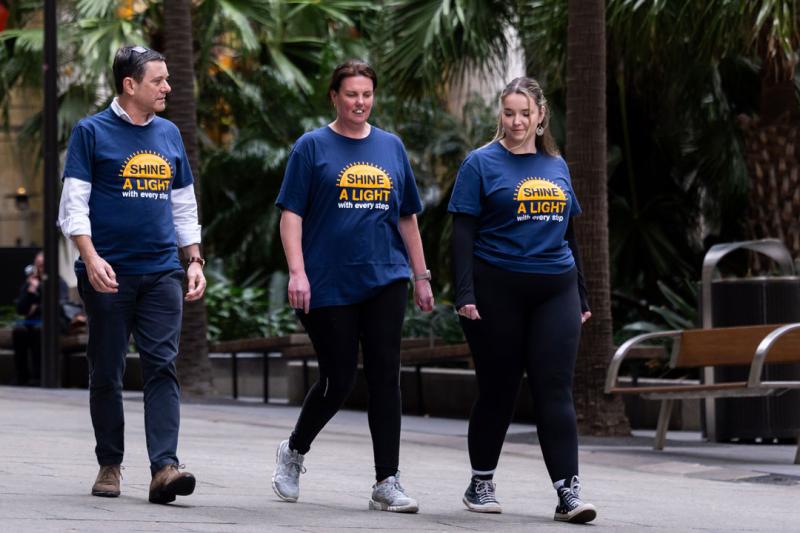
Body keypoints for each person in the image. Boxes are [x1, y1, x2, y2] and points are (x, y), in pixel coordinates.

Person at [272, 59, 434, 513]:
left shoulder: (391, 147)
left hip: (386, 276)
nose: (360, 102)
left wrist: (420, 276)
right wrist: (297, 271)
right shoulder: (311, 147)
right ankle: (294, 450)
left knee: (385, 375)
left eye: (366, 94)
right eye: (351, 94)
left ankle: (387, 481)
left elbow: (407, 216)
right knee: (339, 377)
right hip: (326, 280)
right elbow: (291, 216)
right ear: (334, 97)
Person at [57, 45, 206, 505]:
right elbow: (73, 203)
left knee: (162, 364)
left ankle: (164, 467)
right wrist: (91, 256)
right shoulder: (91, 132)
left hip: (162, 270)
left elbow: (183, 204)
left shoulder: (169, 134)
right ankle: (110, 463)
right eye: (159, 80)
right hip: (108, 274)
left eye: (166, 79)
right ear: (130, 85)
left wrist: (194, 260)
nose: (167, 87)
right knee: (107, 370)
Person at [448, 77, 597, 524]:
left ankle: (568, 493)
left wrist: (582, 293)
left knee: (555, 389)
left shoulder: (557, 165)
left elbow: (569, 233)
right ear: (502, 114)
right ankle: (481, 482)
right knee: (499, 389)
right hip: (497, 289)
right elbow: (462, 233)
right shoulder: (479, 164)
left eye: (524, 114)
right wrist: (465, 292)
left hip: (556, 288)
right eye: (509, 113)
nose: (516, 121)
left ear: (540, 116)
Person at [12, 251, 69, 386]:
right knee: (19, 330)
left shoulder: (59, 282)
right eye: (37, 265)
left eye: (42, 265)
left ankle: (39, 376)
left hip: (54, 322)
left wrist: (39, 295)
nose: (40, 269)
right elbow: (21, 309)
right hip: (33, 321)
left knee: (40, 331)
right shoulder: (30, 283)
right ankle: (22, 376)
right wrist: (30, 292)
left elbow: (57, 306)